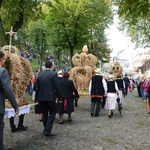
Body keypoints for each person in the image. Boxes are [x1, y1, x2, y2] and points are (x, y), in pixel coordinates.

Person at [36, 61, 62, 136]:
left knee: (44, 113)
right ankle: (47, 129)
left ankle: (46, 128)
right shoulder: (53, 74)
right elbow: (57, 87)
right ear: (51, 66)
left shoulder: (40, 75)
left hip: (41, 97)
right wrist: (60, 97)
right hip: (50, 97)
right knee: (53, 112)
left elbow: (37, 87)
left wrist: (37, 98)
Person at [0, 51, 19, 150]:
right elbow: (7, 89)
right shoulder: (2, 71)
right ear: (1, 59)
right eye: (3, 59)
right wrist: (15, 105)